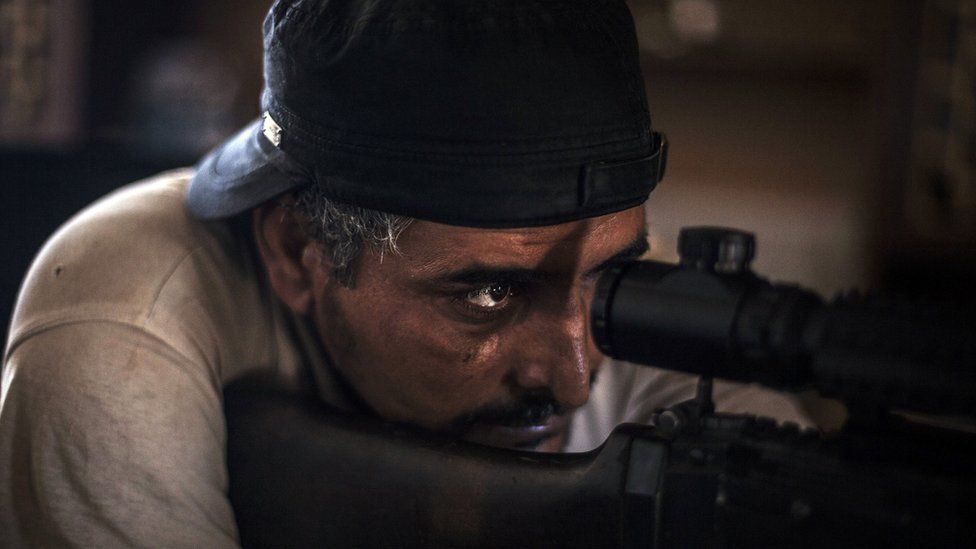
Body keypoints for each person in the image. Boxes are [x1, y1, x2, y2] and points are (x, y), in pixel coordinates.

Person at [0, 0, 811, 546]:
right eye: (489, 294)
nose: (571, 377)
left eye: (608, 275)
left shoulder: (687, 346)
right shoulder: (126, 327)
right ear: (296, 254)